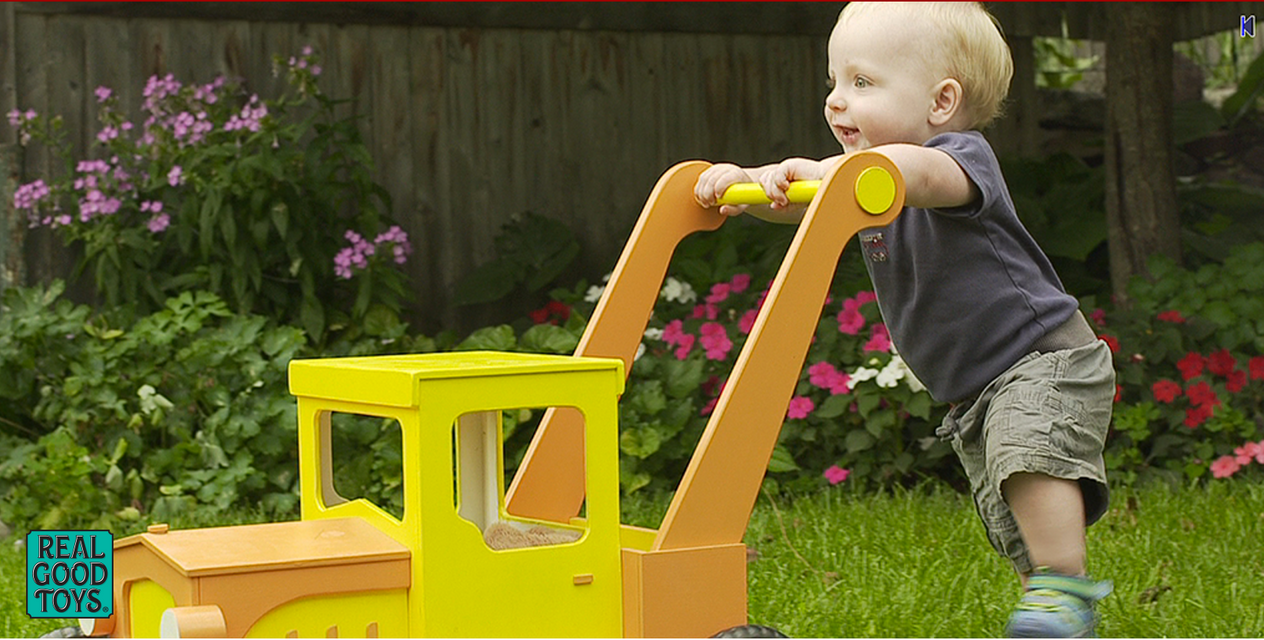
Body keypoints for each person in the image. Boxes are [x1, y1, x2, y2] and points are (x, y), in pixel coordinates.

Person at [693, 3, 1116, 638]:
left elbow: (908, 174)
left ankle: (1067, 587)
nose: (837, 102)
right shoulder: (862, 179)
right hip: (974, 390)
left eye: (861, 83)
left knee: (1028, 459)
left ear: (941, 101)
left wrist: (832, 173)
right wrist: (751, 184)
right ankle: (1053, 614)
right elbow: (805, 199)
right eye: (833, 82)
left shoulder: (957, 161)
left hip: (1043, 362)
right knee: (1012, 520)